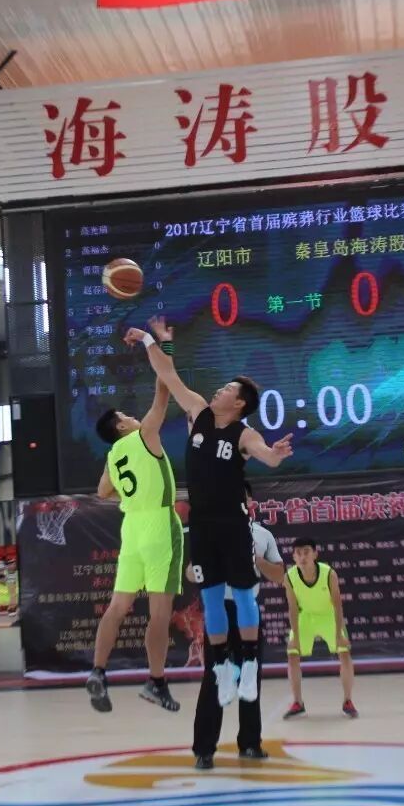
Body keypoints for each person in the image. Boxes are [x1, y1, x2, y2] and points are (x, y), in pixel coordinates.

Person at [124, 315, 292, 707]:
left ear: (240, 403)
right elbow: (167, 374)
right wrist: (150, 340)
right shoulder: (198, 411)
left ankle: (249, 663)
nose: (220, 389)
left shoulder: (244, 433)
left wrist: (275, 454)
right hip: (202, 525)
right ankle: (223, 668)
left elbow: (266, 456)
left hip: (233, 523)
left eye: (228, 389)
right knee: (212, 600)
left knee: (245, 597)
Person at [86, 378, 184, 712]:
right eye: (127, 415)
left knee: (117, 607)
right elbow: (162, 396)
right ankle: (156, 682)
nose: (133, 417)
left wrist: (133, 494)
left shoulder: (113, 454)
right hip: (159, 525)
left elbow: (102, 491)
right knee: (159, 613)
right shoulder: (145, 436)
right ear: (122, 425)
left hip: (132, 528)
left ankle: (98, 670)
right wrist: (161, 358)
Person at [192, 483, 285, 769]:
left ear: (250, 502)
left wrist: (253, 559)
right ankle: (204, 750)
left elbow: (279, 575)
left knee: (250, 677)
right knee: (214, 678)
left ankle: (250, 743)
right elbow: (192, 571)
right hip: (220, 611)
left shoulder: (263, 535)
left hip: (248, 615)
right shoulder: (209, 533)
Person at [282, 537, 356, 719]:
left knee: (344, 653)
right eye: (298, 553)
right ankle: (298, 702)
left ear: (315, 554)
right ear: (294, 557)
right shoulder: (289, 576)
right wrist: (295, 637)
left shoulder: (329, 573)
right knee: (292, 655)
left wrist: (339, 634)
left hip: (328, 616)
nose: (302, 557)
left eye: (306, 552)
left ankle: (348, 700)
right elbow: (292, 608)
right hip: (305, 617)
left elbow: (337, 605)